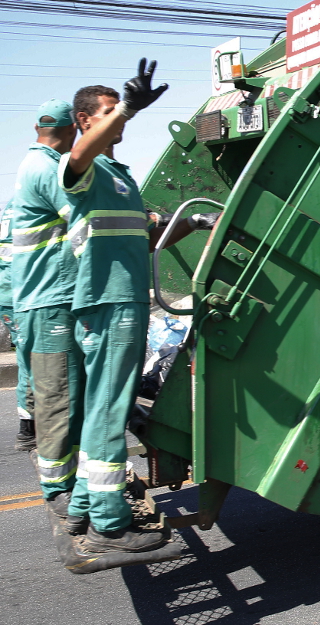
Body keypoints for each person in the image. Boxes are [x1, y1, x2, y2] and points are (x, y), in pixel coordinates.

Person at [63, 61, 214, 554]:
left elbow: (150, 231)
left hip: (123, 301)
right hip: (109, 302)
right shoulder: (83, 168)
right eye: (107, 113)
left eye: (118, 112)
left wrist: (199, 222)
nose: (118, 121)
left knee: (103, 408)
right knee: (110, 408)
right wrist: (129, 105)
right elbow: (80, 153)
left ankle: (86, 505)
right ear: (85, 121)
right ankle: (110, 525)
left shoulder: (117, 174)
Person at [10, 99, 85, 530]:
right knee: (59, 398)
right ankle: (59, 493)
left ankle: (64, 484)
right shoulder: (48, 170)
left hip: (41, 300)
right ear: (74, 128)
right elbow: (85, 223)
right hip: (51, 300)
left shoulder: (29, 163)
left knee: (56, 396)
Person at [0, 201, 35, 451]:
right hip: (24, 294)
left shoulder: (13, 203)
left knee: (26, 357)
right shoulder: (40, 197)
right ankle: (29, 428)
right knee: (34, 360)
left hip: (8, 293)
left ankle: (29, 424)